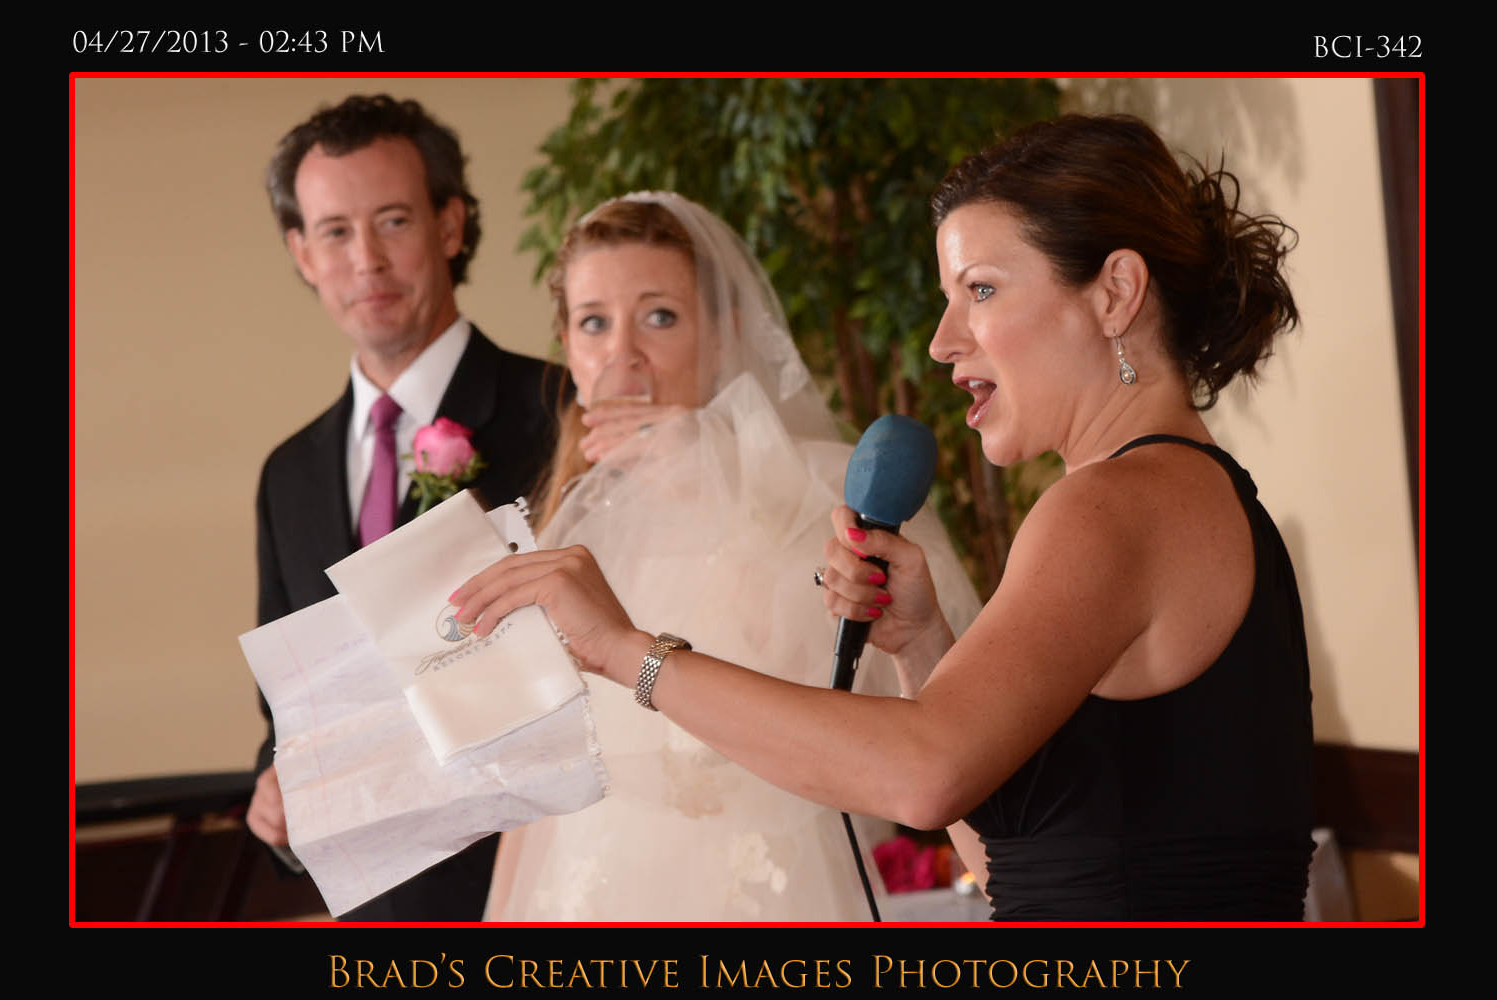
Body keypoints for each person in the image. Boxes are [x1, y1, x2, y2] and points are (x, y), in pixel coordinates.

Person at [454, 116, 1316, 921]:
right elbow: (1019, 865)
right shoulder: (1182, 489)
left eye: (981, 290)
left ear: (1116, 292)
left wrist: (627, 652)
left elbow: (920, 775)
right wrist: (922, 645)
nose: (942, 340)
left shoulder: (1110, 505)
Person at [480, 192, 984, 921]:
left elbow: (874, 702)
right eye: (593, 323)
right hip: (588, 885)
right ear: (567, 345)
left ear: (723, 334)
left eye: (660, 317)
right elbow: (540, 778)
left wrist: (695, 470)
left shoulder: (823, 485)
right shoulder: (570, 526)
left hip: (767, 888)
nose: (622, 354)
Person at [247, 94, 560, 921]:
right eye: (334, 232)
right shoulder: (288, 476)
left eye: (392, 221)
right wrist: (278, 797)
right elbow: (290, 713)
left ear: (450, 225)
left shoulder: (562, 412)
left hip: (550, 889)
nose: (366, 262)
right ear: (301, 252)